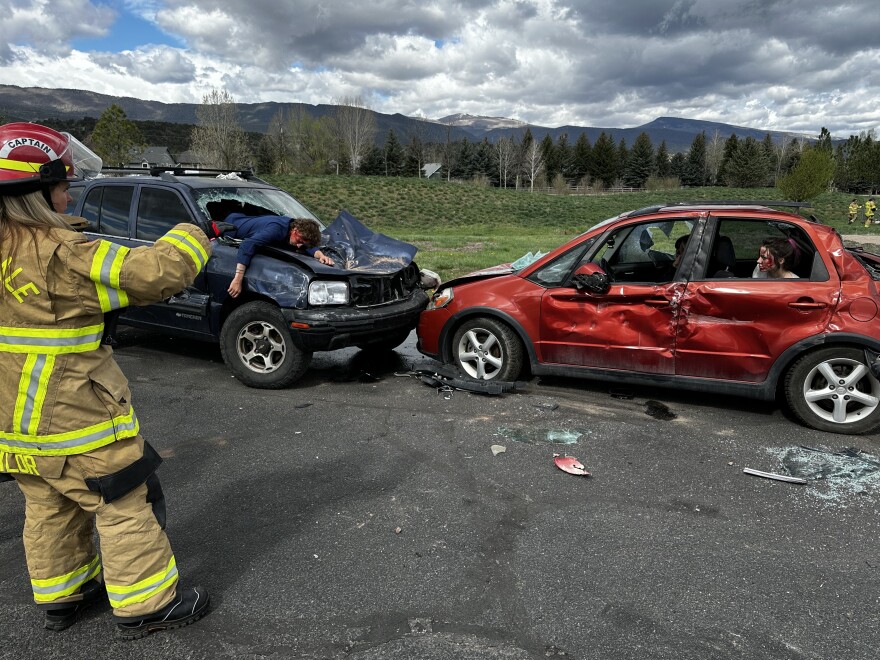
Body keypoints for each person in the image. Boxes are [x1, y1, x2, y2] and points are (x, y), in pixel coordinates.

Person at [0, 122, 212, 638]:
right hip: (77, 417)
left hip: (13, 424)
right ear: (36, 191)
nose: (69, 194)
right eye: (62, 185)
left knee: (49, 506)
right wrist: (194, 232)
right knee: (121, 504)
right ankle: (146, 606)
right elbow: (152, 274)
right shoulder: (64, 253)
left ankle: (64, 596)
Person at [224, 214, 335, 298]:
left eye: (304, 243)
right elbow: (247, 244)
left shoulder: (295, 230)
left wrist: (321, 256)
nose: (300, 245)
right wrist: (238, 279)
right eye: (299, 240)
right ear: (295, 230)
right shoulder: (276, 229)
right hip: (229, 227)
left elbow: (307, 246)